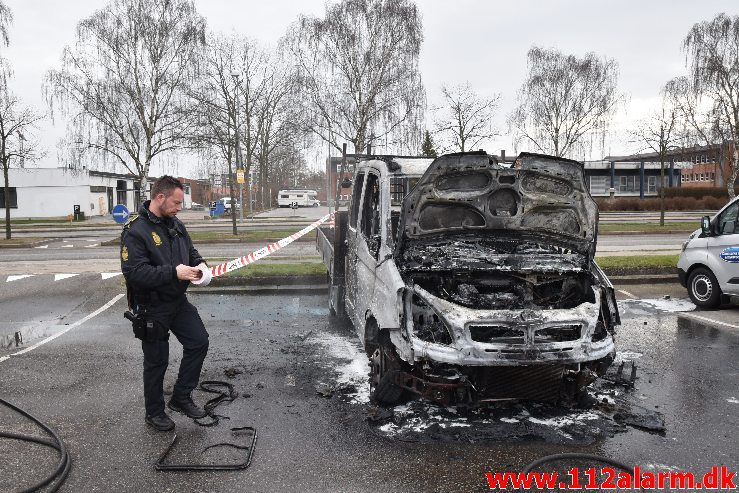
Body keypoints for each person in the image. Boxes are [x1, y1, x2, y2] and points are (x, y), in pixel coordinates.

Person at [121, 176, 209, 431]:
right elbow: (134, 273)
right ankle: (154, 412)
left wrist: (202, 267)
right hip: (151, 305)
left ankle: (181, 397)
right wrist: (174, 273)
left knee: (199, 341)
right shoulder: (135, 231)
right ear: (160, 197)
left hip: (177, 301)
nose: (179, 207)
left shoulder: (176, 224)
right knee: (157, 361)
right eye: (176, 202)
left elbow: (191, 252)